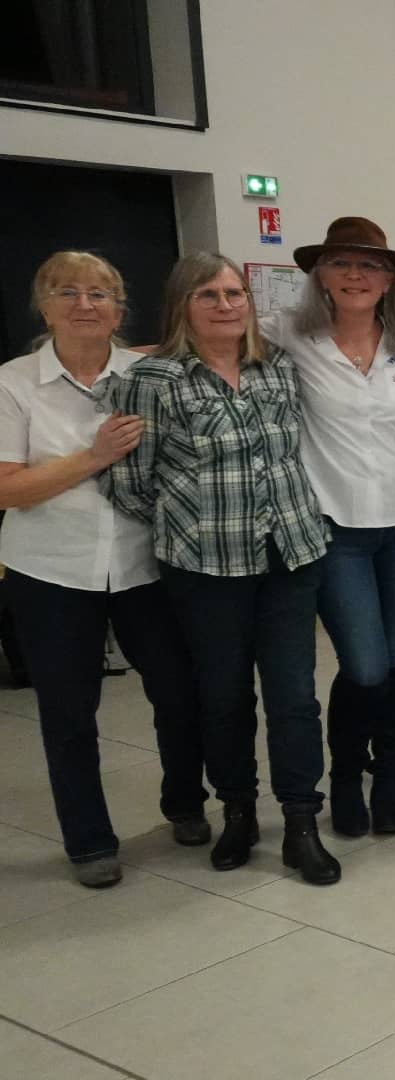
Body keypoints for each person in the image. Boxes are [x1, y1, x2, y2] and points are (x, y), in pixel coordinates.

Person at [105, 252, 340, 885]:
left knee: (294, 698)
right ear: (183, 304)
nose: (227, 304)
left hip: (290, 554)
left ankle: (300, 822)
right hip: (205, 567)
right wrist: (194, 520)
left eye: (235, 292)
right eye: (208, 294)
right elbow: (129, 481)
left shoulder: (278, 369)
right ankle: (237, 811)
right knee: (225, 697)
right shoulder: (151, 380)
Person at [0, 251, 204, 888]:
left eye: (100, 294)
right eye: (68, 292)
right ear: (44, 305)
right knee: (68, 712)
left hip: (146, 564)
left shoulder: (151, 373)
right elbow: (8, 489)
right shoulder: (13, 383)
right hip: (50, 571)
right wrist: (93, 456)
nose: (85, 304)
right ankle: (89, 839)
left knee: (177, 693)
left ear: (120, 307)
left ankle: (186, 803)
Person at [270, 216, 395, 839]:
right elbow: (208, 339)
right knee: (364, 666)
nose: (357, 275)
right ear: (321, 276)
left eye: (370, 265)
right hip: (336, 526)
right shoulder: (287, 335)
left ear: (389, 279)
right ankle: (344, 775)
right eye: (342, 264)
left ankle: (388, 777)